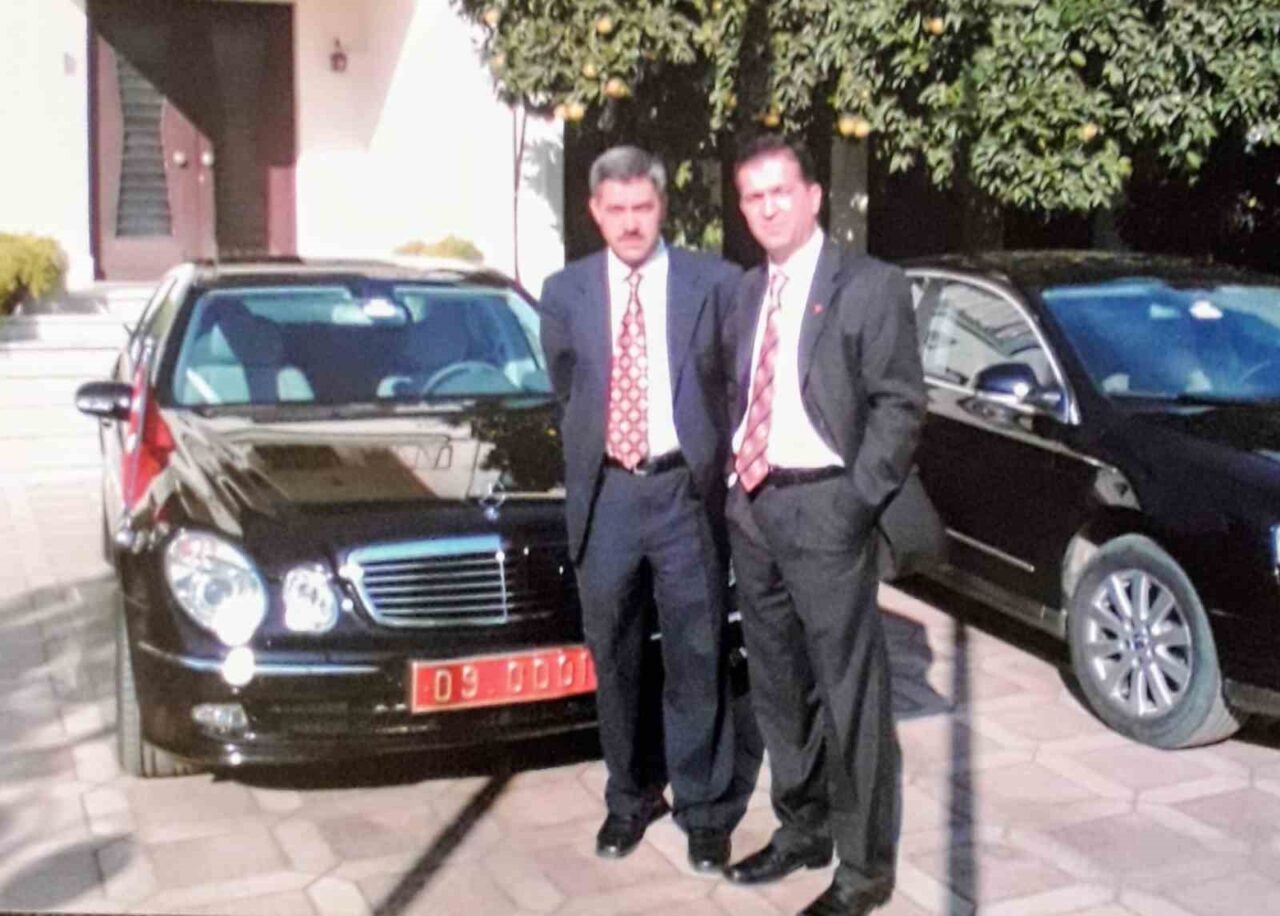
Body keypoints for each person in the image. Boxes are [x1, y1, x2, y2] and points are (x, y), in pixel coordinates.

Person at [722, 134, 925, 915]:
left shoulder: (869, 285)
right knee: (778, 686)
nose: (769, 207)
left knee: (850, 696)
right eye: (754, 196)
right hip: (754, 507)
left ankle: (863, 871)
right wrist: (733, 490)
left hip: (827, 510)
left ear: (813, 197)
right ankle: (801, 829)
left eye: (781, 191)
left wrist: (854, 504)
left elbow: (900, 406)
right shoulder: (746, 292)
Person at [539, 145, 747, 873]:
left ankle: (704, 808)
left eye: (643, 208)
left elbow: (734, 382)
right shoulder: (564, 291)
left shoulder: (713, 282)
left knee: (697, 651)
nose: (631, 223)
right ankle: (629, 797)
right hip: (609, 497)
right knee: (617, 655)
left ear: (663, 208)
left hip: (684, 492)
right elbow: (568, 386)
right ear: (595, 212)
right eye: (617, 210)